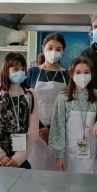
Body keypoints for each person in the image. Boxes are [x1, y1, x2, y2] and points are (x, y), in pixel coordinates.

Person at [0, 52, 39, 169]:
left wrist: (18, 158)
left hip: (20, 158)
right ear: (6, 70)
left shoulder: (31, 94)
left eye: (23, 69)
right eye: (16, 69)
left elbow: (33, 130)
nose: (20, 72)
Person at [27, 33, 69, 170]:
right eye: (50, 48)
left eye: (58, 49)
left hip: (58, 130)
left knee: (55, 172)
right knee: (35, 170)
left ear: (63, 51)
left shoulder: (67, 75)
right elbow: (26, 103)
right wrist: (40, 129)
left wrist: (51, 130)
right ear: (43, 48)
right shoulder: (33, 72)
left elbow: (68, 106)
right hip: (35, 129)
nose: (53, 52)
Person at [49, 56, 97, 173]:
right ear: (71, 74)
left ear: (91, 74)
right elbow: (58, 126)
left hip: (93, 152)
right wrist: (59, 154)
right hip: (69, 153)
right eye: (78, 72)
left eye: (86, 72)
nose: (82, 75)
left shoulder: (96, 95)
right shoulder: (63, 97)